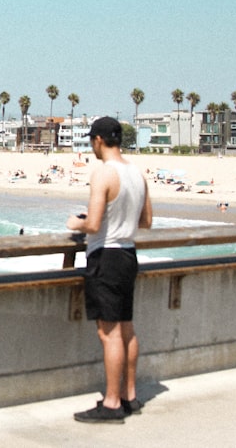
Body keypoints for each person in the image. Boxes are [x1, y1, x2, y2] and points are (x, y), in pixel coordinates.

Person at [67, 116, 152, 424]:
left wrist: (76, 222)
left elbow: (92, 224)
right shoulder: (136, 173)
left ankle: (112, 402)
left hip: (107, 257)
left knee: (109, 333)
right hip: (129, 255)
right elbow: (146, 221)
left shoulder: (103, 174)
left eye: (92, 141)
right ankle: (130, 396)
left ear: (98, 141)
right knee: (127, 329)